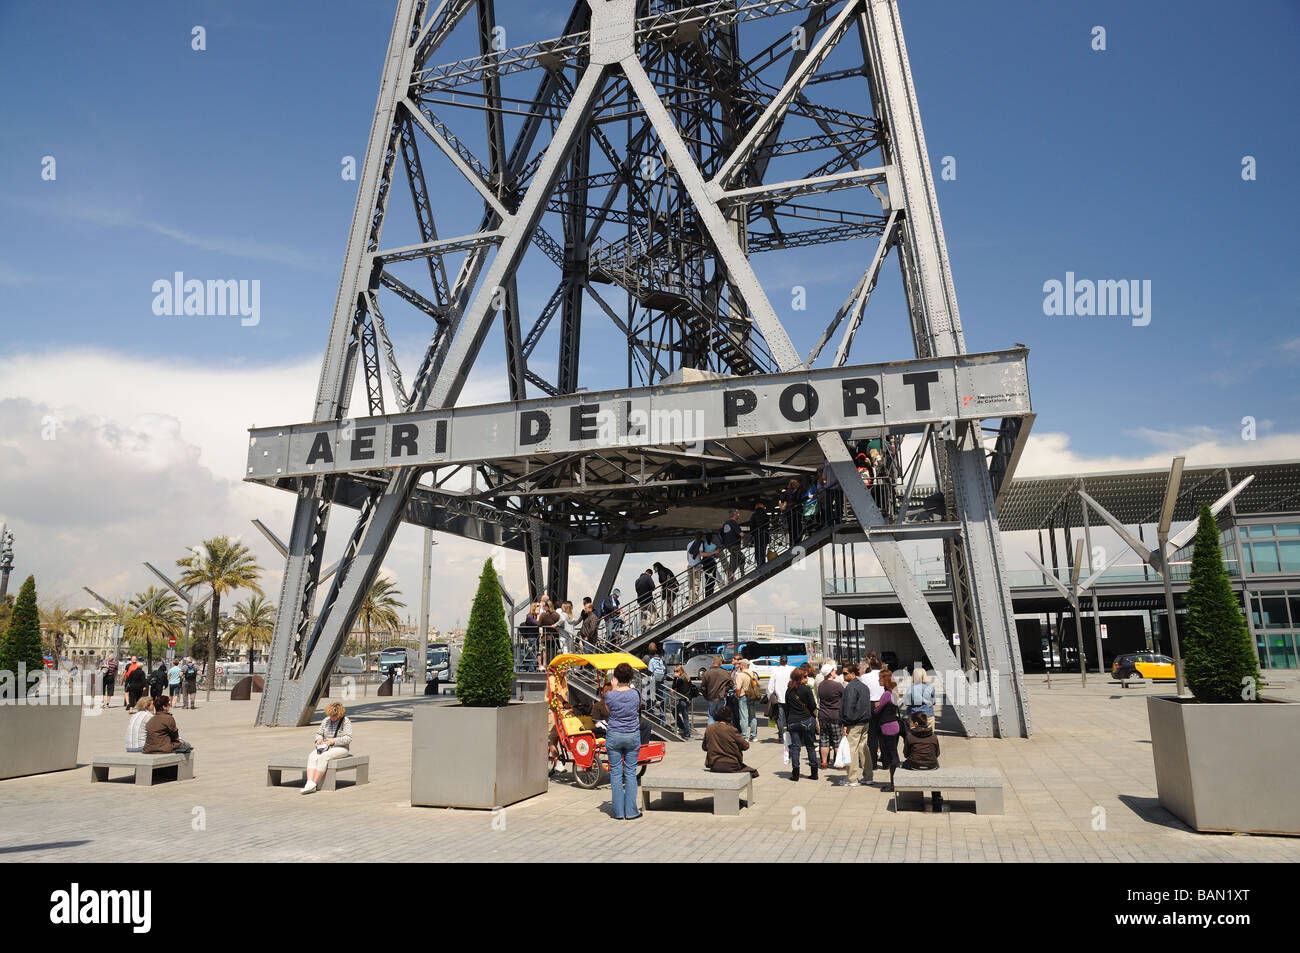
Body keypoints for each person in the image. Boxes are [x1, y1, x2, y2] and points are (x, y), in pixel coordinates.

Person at [604, 662, 643, 820]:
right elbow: (637, 707)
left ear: (616, 677)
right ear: (630, 677)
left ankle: (619, 812)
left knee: (616, 773)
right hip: (632, 734)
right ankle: (632, 811)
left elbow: (608, 710)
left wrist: (614, 689)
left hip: (614, 734)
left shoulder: (610, 694)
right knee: (631, 773)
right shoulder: (636, 693)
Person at [302, 701, 353, 795]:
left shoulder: (346, 721)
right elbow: (319, 733)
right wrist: (319, 740)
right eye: (330, 715)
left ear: (339, 714)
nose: (332, 718)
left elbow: (348, 738)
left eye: (334, 716)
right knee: (312, 756)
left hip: (341, 748)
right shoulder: (326, 720)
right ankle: (309, 782)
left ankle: (314, 783)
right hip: (325, 747)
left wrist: (334, 741)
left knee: (323, 757)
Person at [902, 710, 944, 811]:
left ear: (916, 724)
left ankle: (911, 797)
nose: (910, 723)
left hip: (915, 766)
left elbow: (905, 754)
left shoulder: (910, 737)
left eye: (911, 722)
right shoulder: (933, 736)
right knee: (935, 770)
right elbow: (937, 753)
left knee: (903, 765)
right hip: (931, 765)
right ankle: (936, 797)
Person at [839, 663, 872, 787]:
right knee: (864, 748)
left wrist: (845, 723)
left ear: (853, 674)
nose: (843, 675)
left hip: (854, 722)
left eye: (845, 673)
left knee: (851, 750)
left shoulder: (850, 688)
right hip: (865, 721)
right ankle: (868, 776)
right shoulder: (864, 686)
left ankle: (852, 778)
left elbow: (848, 707)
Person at [702, 707, 759, 778]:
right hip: (731, 764)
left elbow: (704, 747)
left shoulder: (709, 729)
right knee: (754, 772)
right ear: (729, 717)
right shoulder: (732, 730)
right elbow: (746, 746)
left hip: (714, 764)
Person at [784, 668, 818, 781]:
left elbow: (786, 708)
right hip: (806, 720)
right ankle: (814, 772)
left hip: (793, 721)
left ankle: (795, 773)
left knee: (795, 747)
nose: (807, 678)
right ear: (800, 678)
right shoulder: (807, 689)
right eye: (805, 676)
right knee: (810, 746)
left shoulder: (789, 690)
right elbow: (813, 705)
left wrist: (787, 722)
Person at [874, 668, 902, 793]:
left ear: (885, 680)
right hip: (894, 726)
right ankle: (894, 782)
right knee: (893, 754)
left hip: (887, 727)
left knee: (892, 757)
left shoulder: (886, 694)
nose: (878, 680)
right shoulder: (894, 692)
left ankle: (894, 784)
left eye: (880, 678)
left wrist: (876, 705)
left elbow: (876, 711)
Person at [817, 664, 843, 768]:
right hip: (835, 715)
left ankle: (824, 762)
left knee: (824, 740)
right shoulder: (837, 685)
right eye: (834, 670)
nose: (835, 672)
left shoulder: (821, 685)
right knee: (837, 740)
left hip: (823, 715)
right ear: (831, 672)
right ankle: (838, 762)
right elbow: (844, 696)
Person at [767, 654, 794, 746]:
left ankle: (781, 738)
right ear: (787, 661)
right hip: (790, 697)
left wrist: (769, 696)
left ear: (780, 661)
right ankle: (792, 736)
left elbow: (770, 686)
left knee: (780, 719)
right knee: (790, 717)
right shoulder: (792, 669)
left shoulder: (775, 670)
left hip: (779, 698)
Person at [863, 652, 883, 769]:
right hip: (883, 703)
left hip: (869, 705)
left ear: (870, 666)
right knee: (883, 733)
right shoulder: (885, 675)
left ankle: (873, 762)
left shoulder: (865, 677)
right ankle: (886, 762)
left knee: (872, 735)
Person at [733, 657, 761, 741]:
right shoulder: (754, 674)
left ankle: (744, 736)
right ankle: (753, 735)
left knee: (744, 717)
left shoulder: (740, 675)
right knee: (752, 716)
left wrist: (737, 696)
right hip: (752, 696)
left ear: (741, 665)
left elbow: (738, 688)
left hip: (743, 696)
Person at [700, 655, 731, 725]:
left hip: (711, 697)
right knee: (722, 716)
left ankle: (711, 732)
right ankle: (720, 732)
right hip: (721, 696)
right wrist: (724, 690)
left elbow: (702, 687)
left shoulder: (707, 673)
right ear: (720, 663)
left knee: (711, 716)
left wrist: (706, 695)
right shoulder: (725, 673)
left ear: (712, 662)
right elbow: (731, 684)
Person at [671, 664, 696, 738]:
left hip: (683, 700)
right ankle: (683, 728)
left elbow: (674, 687)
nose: (675, 673)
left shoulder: (681, 679)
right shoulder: (687, 677)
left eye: (676, 671)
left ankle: (687, 733)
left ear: (680, 671)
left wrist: (675, 679)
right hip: (688, 699)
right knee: (676, 712)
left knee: (684, 717)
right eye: (674, 671)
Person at [719, 509, 743, 582]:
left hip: (729, 546)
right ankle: (742, 574)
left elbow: (720, 534)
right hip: (735, 545)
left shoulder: (725, 523)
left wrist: (725, 543)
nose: (739, 515)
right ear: (735, 514)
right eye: (738, 513)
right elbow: (740, 534)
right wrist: (744, 535)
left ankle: (731, 578)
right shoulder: (734, 523)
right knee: (742, 558)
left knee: (734, 561)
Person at [644, 642, 667, 715]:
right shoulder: (660, 658)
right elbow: (665, 669)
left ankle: (650, 712)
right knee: (661, 698)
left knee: (649, 696)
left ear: (648, 649)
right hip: (660, 681)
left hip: (650, 681)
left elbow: (641, 668)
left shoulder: (646, 658)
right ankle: (662, 717)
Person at [780, 478, 804, 545]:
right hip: (797, 510)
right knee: (798, 526)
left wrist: (782, 492)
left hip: (789, 511)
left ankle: (792, 542)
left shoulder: (786, 492)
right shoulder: (799, 491)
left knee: (791, 528)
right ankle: (798, 540)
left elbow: (782, 500)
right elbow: (800, 500)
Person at [749, 503, 770, 567]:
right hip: (764, 535)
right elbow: (767, 525)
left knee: (757, 550)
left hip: (756, 536)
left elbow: (751, 526)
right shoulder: (765, 515)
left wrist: (753, 533)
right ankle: (763, 563)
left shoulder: (753, 515)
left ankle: (758, 564)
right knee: (763, 550)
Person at [685, 533, 705, 604]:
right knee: (696, 584)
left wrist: (691, 562)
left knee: (690, 585)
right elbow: (700, 555)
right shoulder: (700, 543)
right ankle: (695, 601)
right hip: (697, 565)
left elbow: (687, 556)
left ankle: (690, 601)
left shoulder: (689, 544)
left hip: (690, 566)